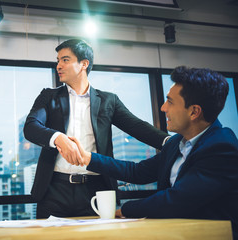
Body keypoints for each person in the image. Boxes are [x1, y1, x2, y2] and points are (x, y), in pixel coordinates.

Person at [70, 66, 238, 239]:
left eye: (170, 102)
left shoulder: (222, 146)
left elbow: (177, 200)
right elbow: (138, 172)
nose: (163, 108)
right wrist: (88, 158)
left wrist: (126, 209)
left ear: (194, 111)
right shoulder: (175, 143)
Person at [23, 39, 169, 218]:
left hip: (97, 189)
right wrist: (58, 138)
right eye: (58, 60)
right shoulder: (48, 96)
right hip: (54, 190)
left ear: (84, 64)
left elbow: (137, 126)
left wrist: (172, 142)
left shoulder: (109, 100)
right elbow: (31, 127)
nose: (58, 65)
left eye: (65, 60)